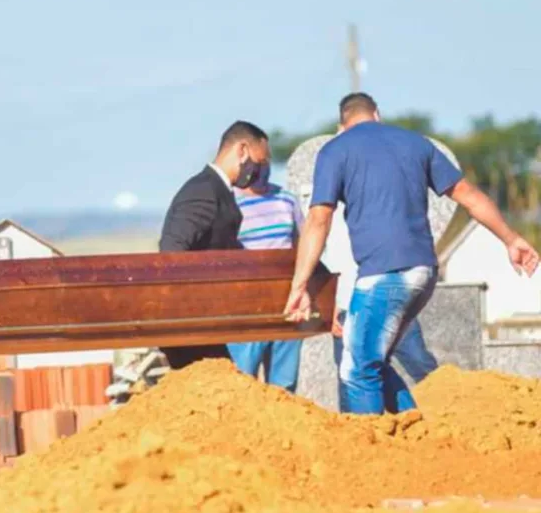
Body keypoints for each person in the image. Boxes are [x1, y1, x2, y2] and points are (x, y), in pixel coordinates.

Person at [285, 93, 539, 414]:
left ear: (341, 125)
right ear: (377, 114)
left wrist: (300, 284)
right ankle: (416, 433)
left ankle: (374, 453)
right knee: (375, 360)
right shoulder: (416, 143)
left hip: (384, 274)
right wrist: (512, 239)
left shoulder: (336, 150)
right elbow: (470, 196)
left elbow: (319, 218)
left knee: (356, 369)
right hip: (424, 273)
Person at [158, 120, 270, 369]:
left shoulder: (217, 190)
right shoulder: (204, 191)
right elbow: (171, 253)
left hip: (203, 322)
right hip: (189, 324)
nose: (259, 171)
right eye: (259, 162)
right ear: (242, 151)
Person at [321, 203, 439, 394]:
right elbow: (330, 263)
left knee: (419, 362)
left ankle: (449, 409)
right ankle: (368, 422)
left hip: (391, 299)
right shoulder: (328, 213)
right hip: (348, 306)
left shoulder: (380, 205)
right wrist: (333, 305)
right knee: (351, 378)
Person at [226, 167, 305, 393]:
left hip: (286, 304)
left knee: (285, 385)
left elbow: (303, 241)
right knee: (241, 381)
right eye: (256, 164)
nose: (262, 170)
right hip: (246, 308)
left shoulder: (288, 200)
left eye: (266, 162)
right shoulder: (232, 204)